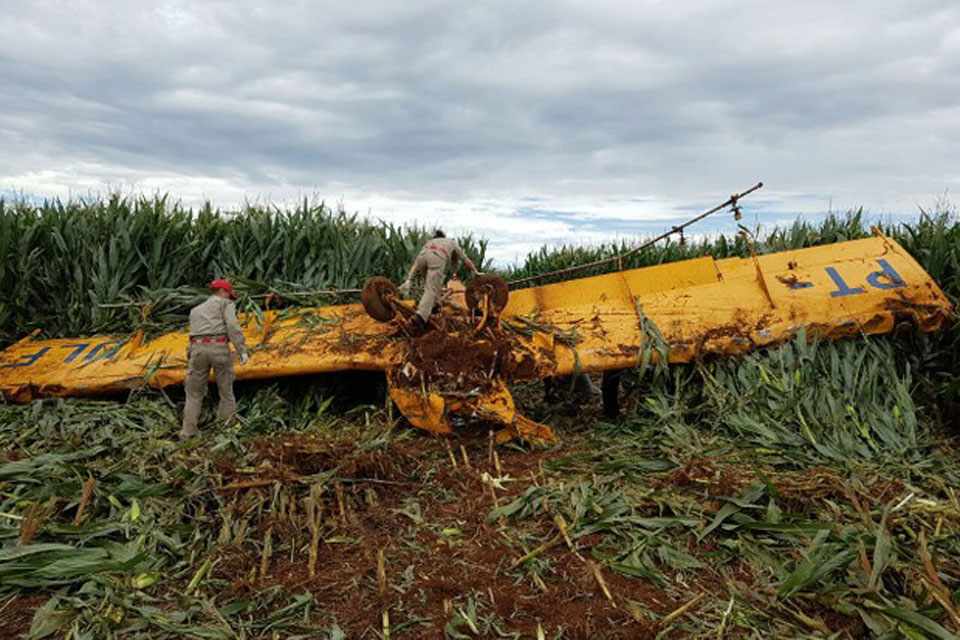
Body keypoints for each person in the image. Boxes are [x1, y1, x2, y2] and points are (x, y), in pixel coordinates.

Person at [180, 279, 249, 440]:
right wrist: (242, 350)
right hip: (218, 348)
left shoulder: (195, 310)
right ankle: (226, 429)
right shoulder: (225, 304)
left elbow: (192, 336)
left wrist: (190, 356)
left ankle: (188, 432)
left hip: (197, 350)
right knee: (226, 391)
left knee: (193, 393)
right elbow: (232, 326)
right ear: (224, 292)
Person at [399, 230, 480, 334]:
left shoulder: (430, 242)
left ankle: (434, 306)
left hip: (423, 258)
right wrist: (475, 271)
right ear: (444, 236)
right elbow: (465, 260)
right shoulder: (451, 242)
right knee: (431, 289)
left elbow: (416, 263)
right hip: (437, 256)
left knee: (430, 286)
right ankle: (419, 318)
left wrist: (409, 279)